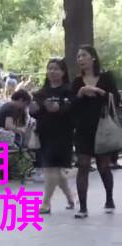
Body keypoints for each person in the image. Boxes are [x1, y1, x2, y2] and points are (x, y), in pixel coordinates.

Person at [71, 45, 121, 218]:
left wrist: (98, 91)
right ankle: (83, 207)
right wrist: (81, 92)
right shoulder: (77, 82)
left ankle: (109, 198)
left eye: (83, 55)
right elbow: (72, 106)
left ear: (93, 57)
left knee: (103, 166)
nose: (80, 59)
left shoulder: (106, 77)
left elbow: (116, 99)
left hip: (103, 128)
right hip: (83, 129)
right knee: (83, 165)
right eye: (78, 57)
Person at [32, 59, 76, 214]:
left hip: (63, 134)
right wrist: (34, 109)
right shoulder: (41, 92)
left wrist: (59, 108)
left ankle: (45, 203)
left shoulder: (69, 90)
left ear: (63, 72)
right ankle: (70, 197)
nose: (52, 71)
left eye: (56, 69)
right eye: (50, 68)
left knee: (51, 168)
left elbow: (72, 110)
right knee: (54, 170)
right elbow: (35, 113)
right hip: (44, 133)